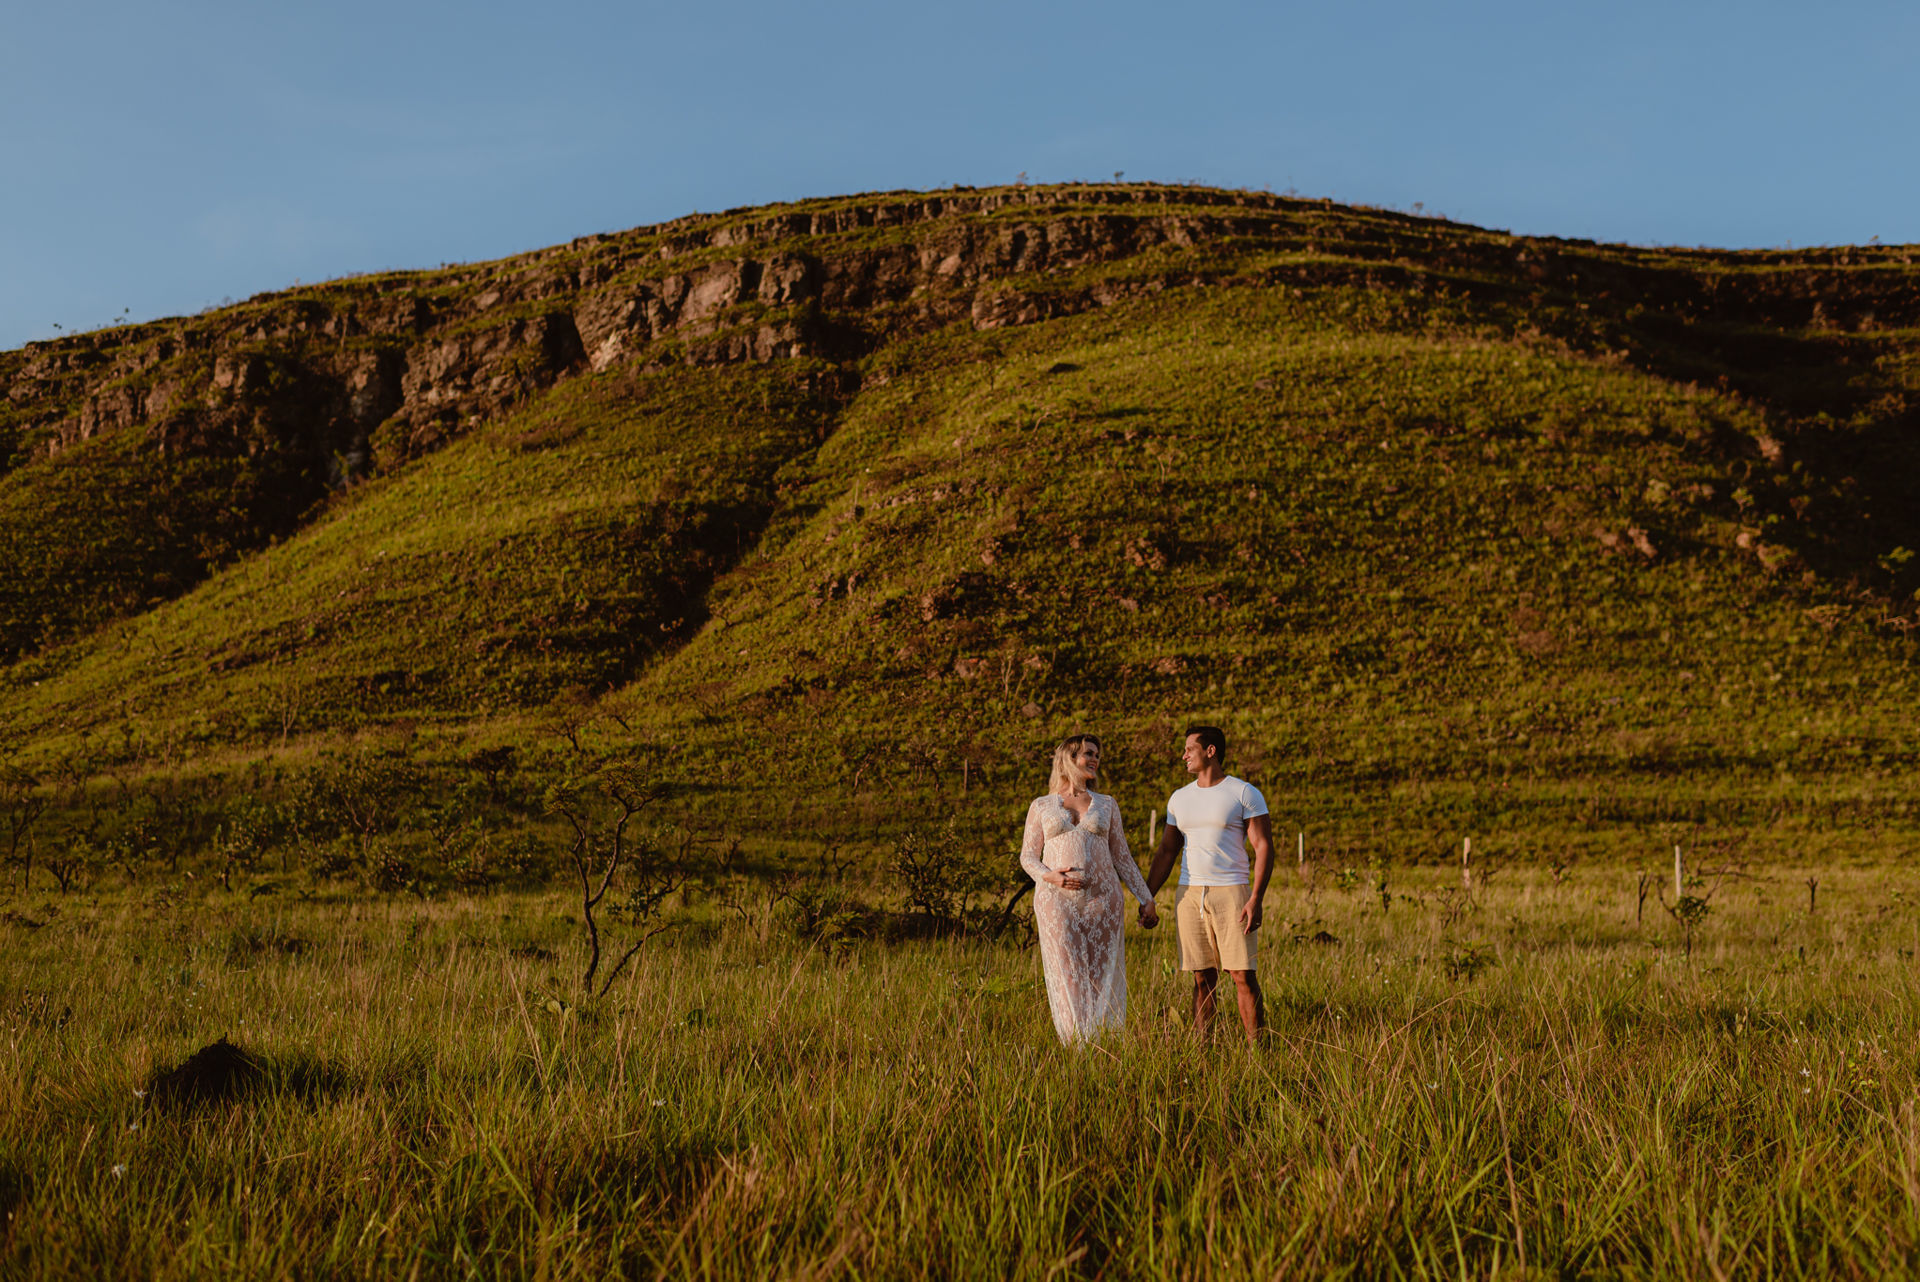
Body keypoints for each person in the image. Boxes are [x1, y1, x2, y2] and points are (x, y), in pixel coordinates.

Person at [1019, 734, 1160, 1044]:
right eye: (1089, 754)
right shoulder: (1041, 805)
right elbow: (1027, 857)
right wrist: (1050, 876)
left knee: (1100, 975)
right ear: (1069, 758)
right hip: (1056, 899)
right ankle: (1076, 1044)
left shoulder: (1107, 804)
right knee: (1068, 973)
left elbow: (1122, 857)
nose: (1095, 759)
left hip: (1103, 900)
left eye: (1097, 755)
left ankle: (1102, 1043)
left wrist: (1145, 898)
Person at [1144, 725, 1273, 1043]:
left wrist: (1255, 898)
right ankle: (1204, 1049)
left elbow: (1263, 846)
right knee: (1202, 977)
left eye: (1190, 749)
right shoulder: (1179, 798)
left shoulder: (1243, 793)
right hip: (1189, 895)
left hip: (1232, 892)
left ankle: (1259, 1052)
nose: (1184, 755)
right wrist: (1147, 896)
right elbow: (1167, 850)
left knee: (1242, 975)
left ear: (1210, 751)